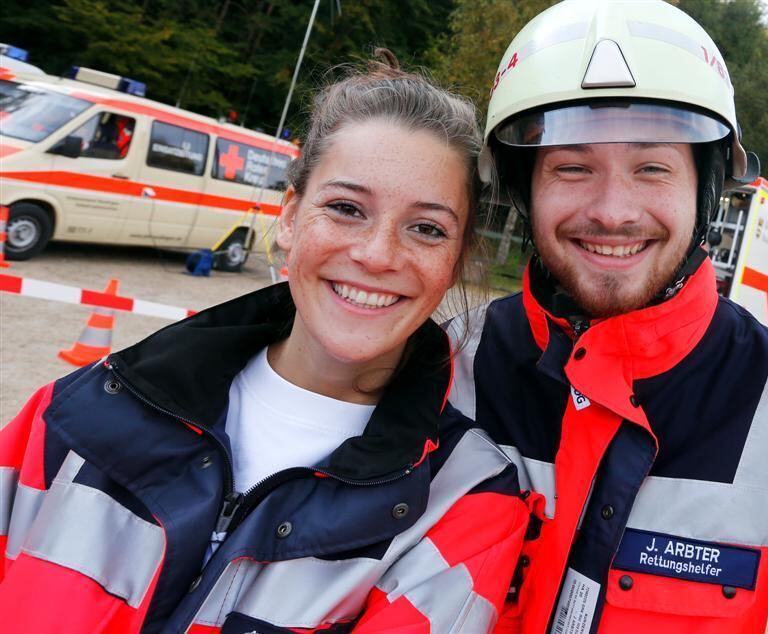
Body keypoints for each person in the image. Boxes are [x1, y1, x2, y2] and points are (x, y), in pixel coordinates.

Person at [446, 1, 768, 632]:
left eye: (652, 168)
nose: (613, 211)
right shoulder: (451, 369)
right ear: (523, 189)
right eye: (572, 167)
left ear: (707, 190)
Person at [0, 52, 526, 633]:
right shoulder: (74, 412)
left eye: (426, 228)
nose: (378, 255)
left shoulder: (464, 499)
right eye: (346, 209)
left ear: (456, 261)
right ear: (291, 217)